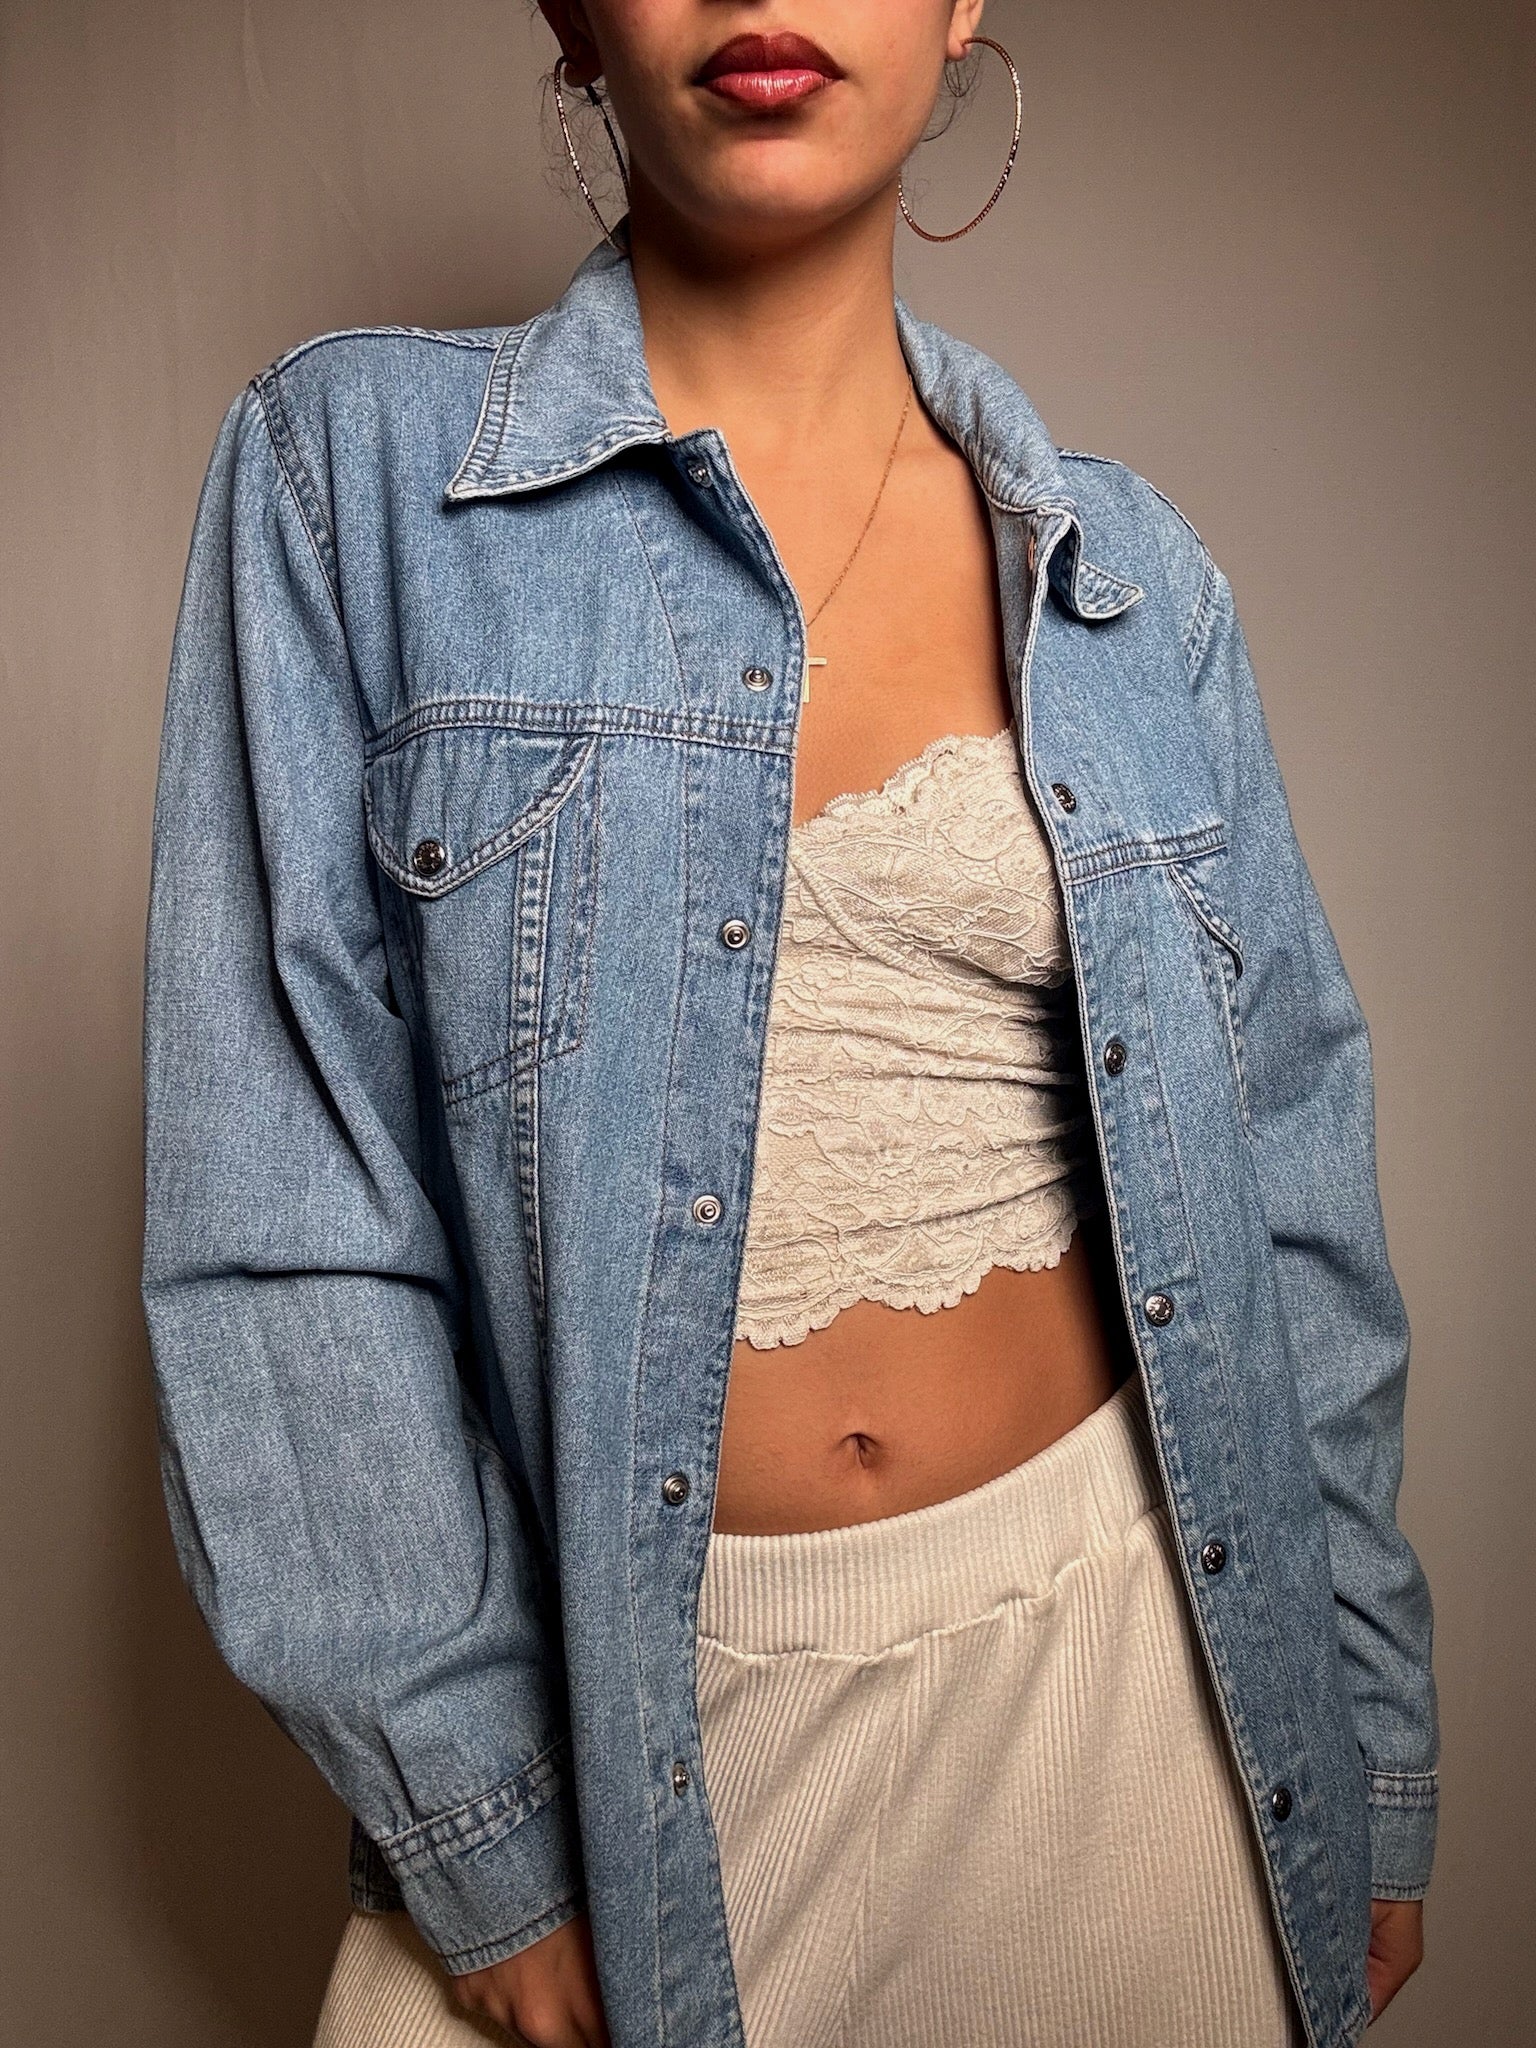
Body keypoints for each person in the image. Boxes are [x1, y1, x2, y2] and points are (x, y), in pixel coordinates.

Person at [140, 4, 1438, 2045]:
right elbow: (279, 1217)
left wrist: (1365, 1736)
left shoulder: (1131, 581)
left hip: (1139, 1693)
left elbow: (1295, 1193)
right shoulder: (354, 474)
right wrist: (484, 1830)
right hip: (628, 1746)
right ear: (571, 12)